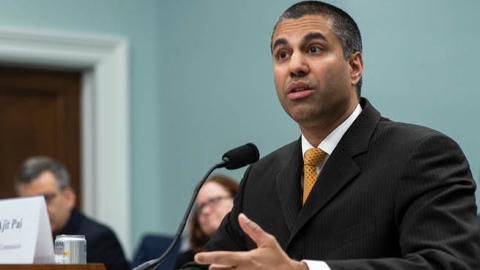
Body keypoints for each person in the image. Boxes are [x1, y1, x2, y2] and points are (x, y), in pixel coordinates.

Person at [180, 1, 480, 270]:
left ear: (354, 66)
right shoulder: (260, 176)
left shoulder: (422, 153)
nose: (295, 66)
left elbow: (450, 263)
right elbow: (210, 263)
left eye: (313, 49)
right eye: (282, 54)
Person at [15, 156, 130, 270]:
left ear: (69, 198)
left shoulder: (99, 239)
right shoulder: (21, 241)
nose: (40, 209)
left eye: (47, 198)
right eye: (31, 202)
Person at [175, 175, 239, 268]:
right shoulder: (188, 260)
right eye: (200, 207)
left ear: (236, 199)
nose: (205, 211)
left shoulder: (257, 248)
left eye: (213, 201)